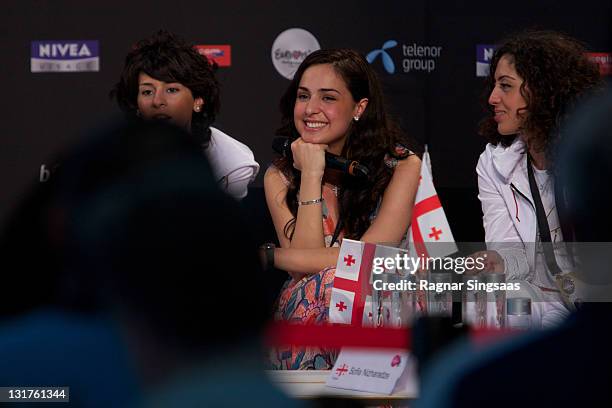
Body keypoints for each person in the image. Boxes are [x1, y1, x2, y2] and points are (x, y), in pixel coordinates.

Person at [264, 49, 421, 369]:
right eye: (304, 96)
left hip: (381, 303)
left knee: (339, 281)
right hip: (310, 310)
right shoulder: (278, 176)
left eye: (328, 98)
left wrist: (272, 256)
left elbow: (370, 258)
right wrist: (311, 173)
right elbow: (303, 269)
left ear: (359, 108)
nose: (310, 109)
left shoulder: (401, 165)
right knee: (321, 286)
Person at [475, 30, 602, 327]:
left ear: (542, 92)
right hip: (546, 303)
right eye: (494, 85)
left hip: (598, 304)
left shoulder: (590, 157)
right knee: (497, 295)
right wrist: (499, 261)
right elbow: (509, 249)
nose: (493, 98)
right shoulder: (493, 164)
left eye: (506, 86)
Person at [111, 29, 259, 200]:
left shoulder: (232, 163)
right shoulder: (112, 156)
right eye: (147, 92)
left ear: (198, 100)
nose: (157, 101)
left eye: (171, 90)